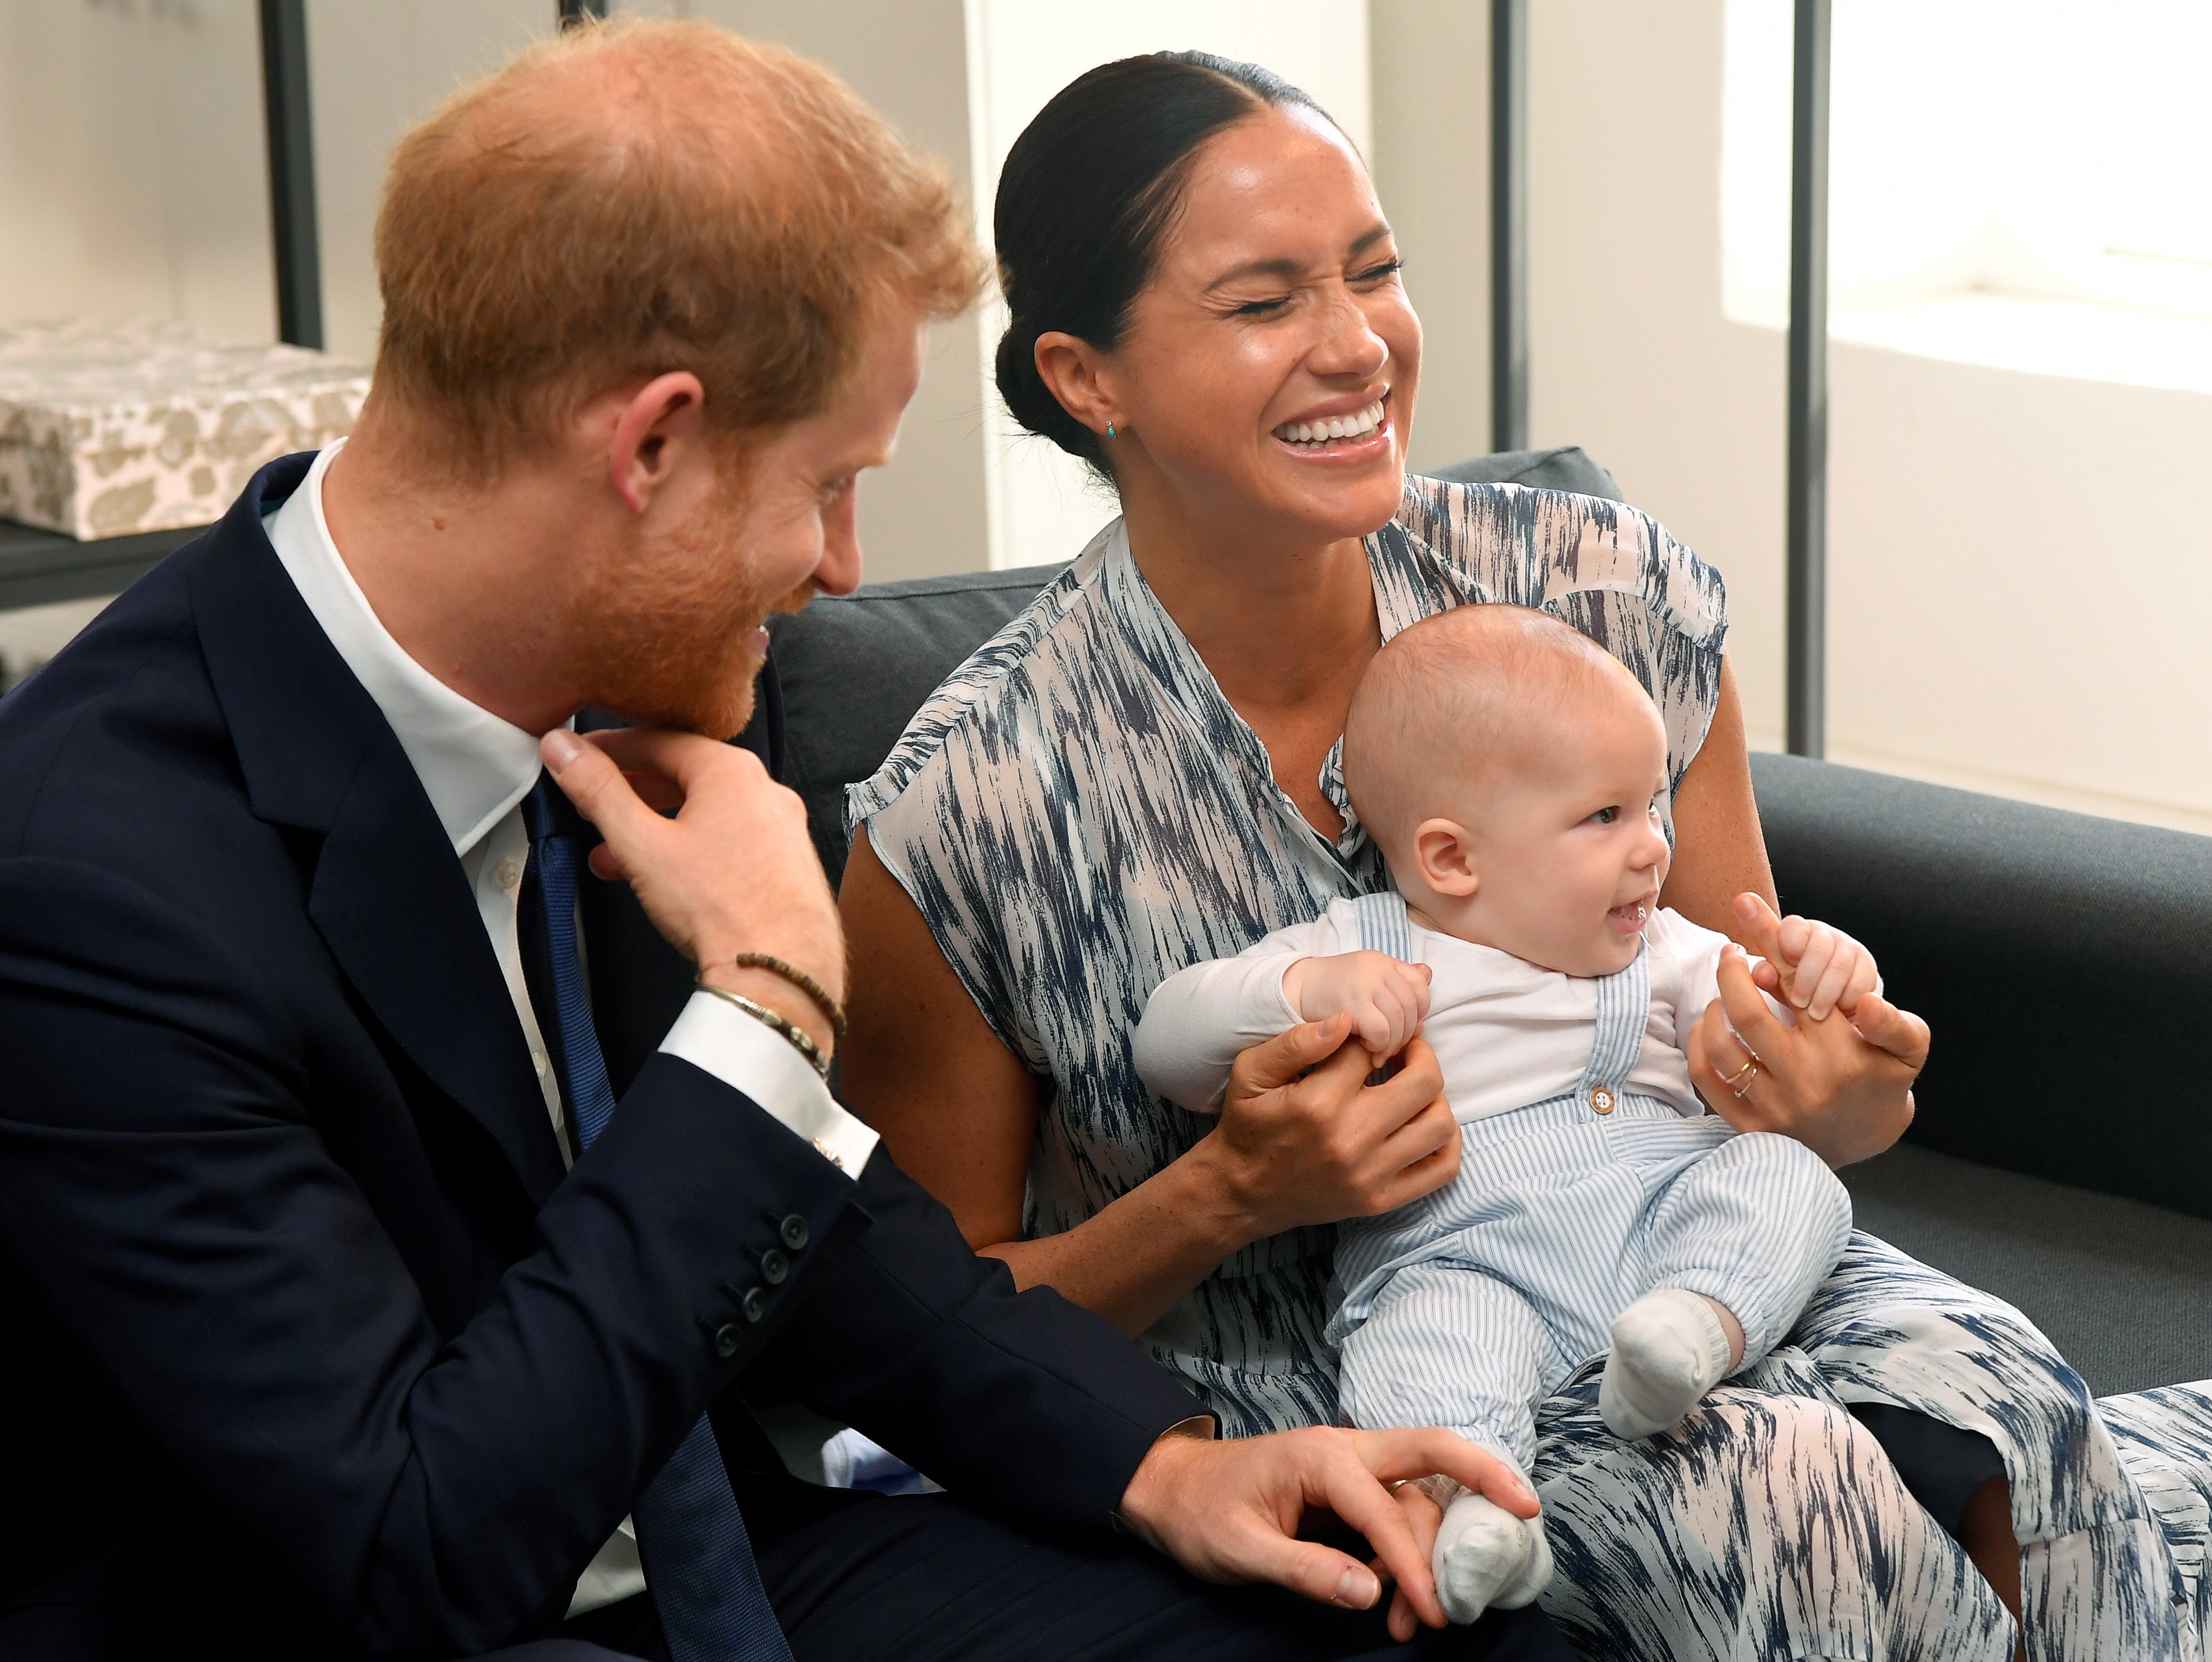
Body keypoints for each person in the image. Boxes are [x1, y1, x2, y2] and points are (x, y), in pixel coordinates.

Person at [0, 22, 1568, 1662]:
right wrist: (759, 1016)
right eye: (828, 484)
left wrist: (1167, 1464)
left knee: (1421, 1626)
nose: (841, 565)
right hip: (370, 1603)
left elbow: (841, 1233)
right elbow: (412, 1543)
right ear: (651, 445)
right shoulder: (92, 887)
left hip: (733, 1556)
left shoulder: (644, 671)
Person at [840, 49, 2186, 1659]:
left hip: (1719, 1261)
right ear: (1086, 376)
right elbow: (922, 1333)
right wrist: (1225, 1196)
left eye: (1374, 271)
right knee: (1783, 1486)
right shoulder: (969, 807)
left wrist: (1836, 1089)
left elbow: (1779, 1048)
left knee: (2014, 1393)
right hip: (1387, 1377)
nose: (1357, 344)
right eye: (1265, 300)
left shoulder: (1599, 596)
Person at [1133, 605, 1885, 1621]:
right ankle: (1480, 1510)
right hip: (1462, 1254)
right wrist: (1305, 989)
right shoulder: (1368, 946)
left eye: (1651, 807)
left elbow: (1768, 1024)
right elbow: (1167, 1044)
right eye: (1604, 817)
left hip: (1663, 1214)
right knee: (1422, 1341)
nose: (1653, 849)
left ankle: (1694, 1330)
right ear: (1450, 861)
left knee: (1790, 1180)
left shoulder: (1660, 948)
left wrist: (1822, 975)